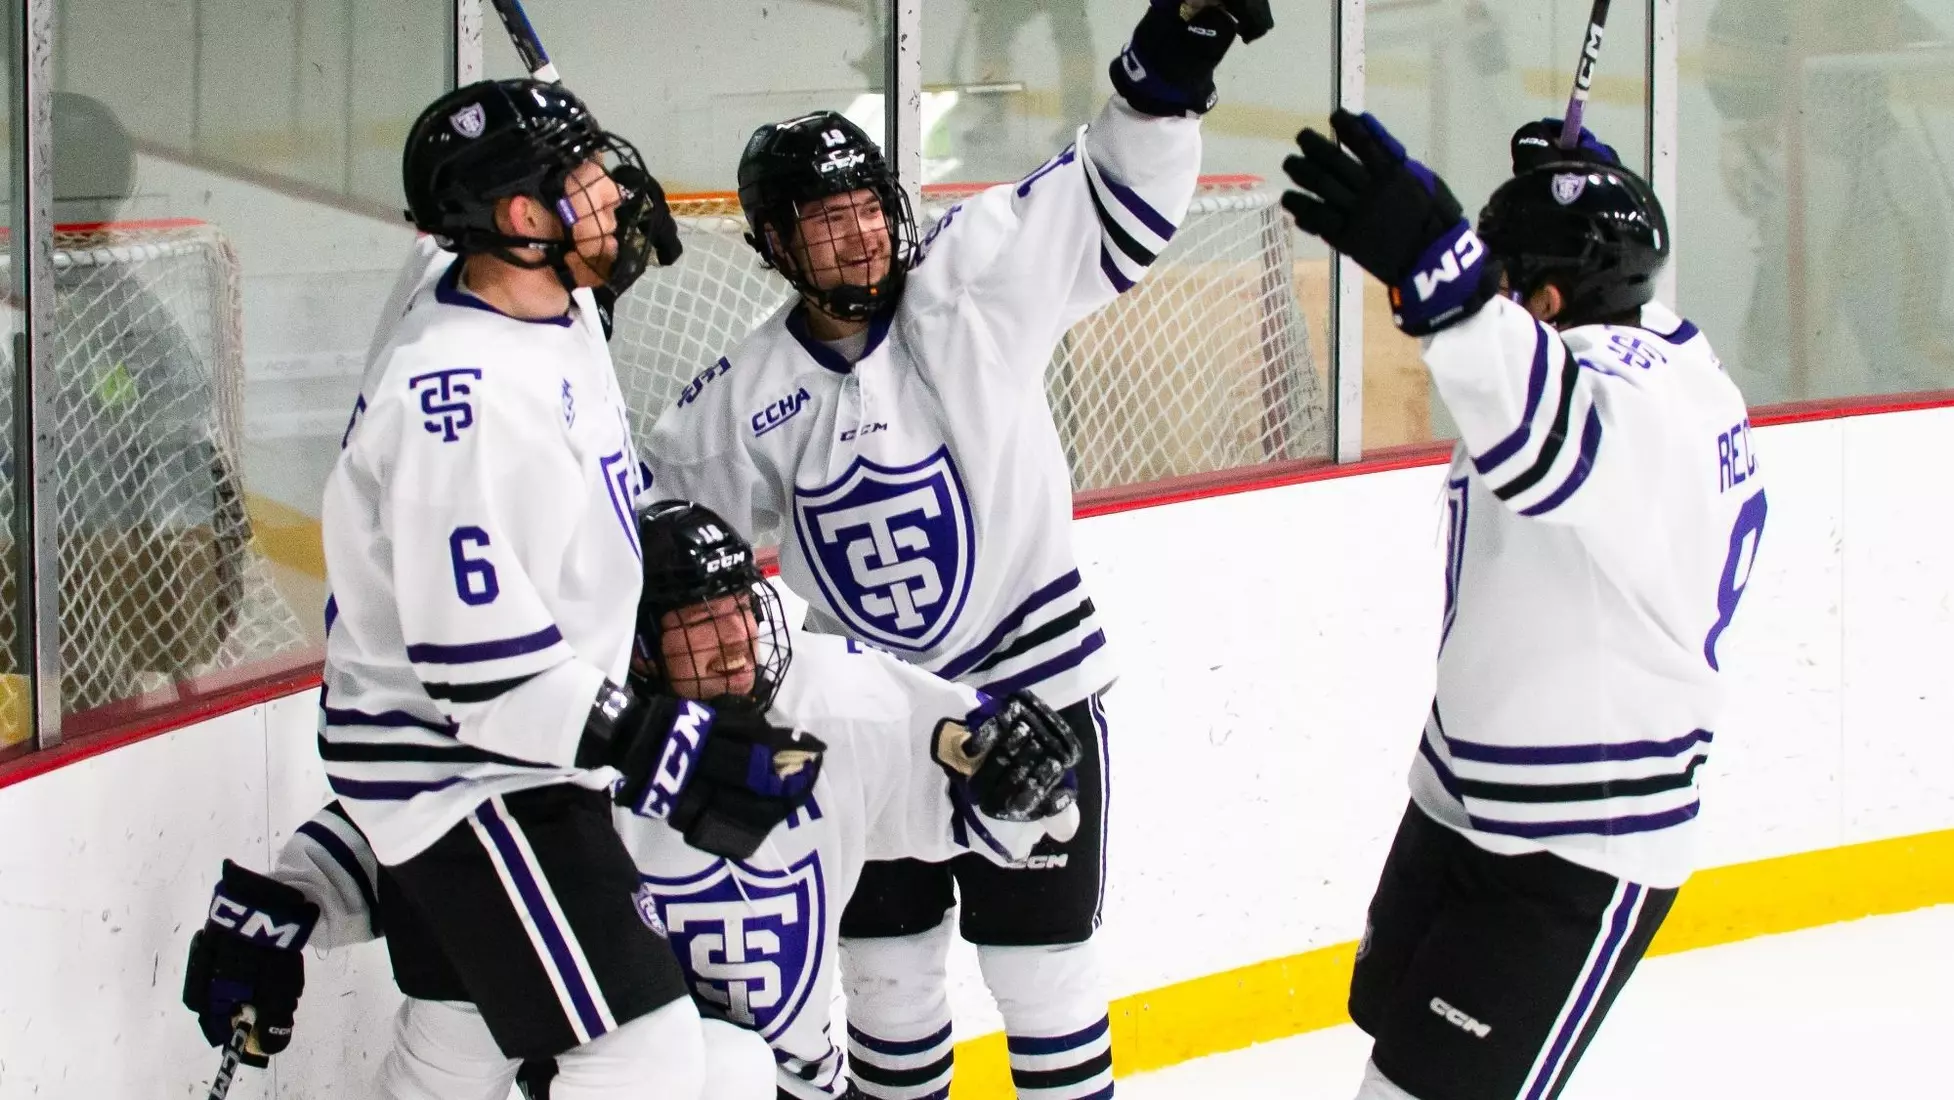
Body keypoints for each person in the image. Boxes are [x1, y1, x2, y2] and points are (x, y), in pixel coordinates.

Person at [644, 2, 1271, 1096]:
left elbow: (1104, 187)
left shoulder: (975, 283)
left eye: (865, 208)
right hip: (877, 719)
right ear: (773, 245)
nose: (858, 234)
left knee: (1047, 979)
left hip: (1036, 690)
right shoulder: (733, 405)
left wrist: (1175, 53)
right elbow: (664, 573)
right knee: (885, 982)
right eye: (822, 219)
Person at [180, 78, 820, 1100]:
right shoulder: (464, 404)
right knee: (647, 1056)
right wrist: (659, 742)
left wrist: (556, 158)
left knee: (462, 1042)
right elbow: (481, 674)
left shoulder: (523, 294)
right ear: (523, 221)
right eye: (583, 182)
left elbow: (461, 234)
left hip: (495, 760)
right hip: (476, 777)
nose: (614, 193)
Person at [186, 499, 1083, 1100]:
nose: (734, 650)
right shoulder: (586, 731)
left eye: (739, 615)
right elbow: (428, 828)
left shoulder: (835, 698)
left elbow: (1004, 795)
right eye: (699, 633)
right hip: (606, 1072)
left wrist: (1026, 782)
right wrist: (285, 906)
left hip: (787, 1084)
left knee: (728, 1070)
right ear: (638, 654)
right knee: (458, 1021)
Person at [1281, 112, 1768, 1100]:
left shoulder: (1635, 409)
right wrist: (1582, 196)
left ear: (1546, 301)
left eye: (1508, 284)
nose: (1492, 299)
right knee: (1389, 1037)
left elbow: (1556, 435)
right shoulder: (1646, 336)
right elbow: (1560, 339)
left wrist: (1438, 265)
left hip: (1572, 844)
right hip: (1463, 794)